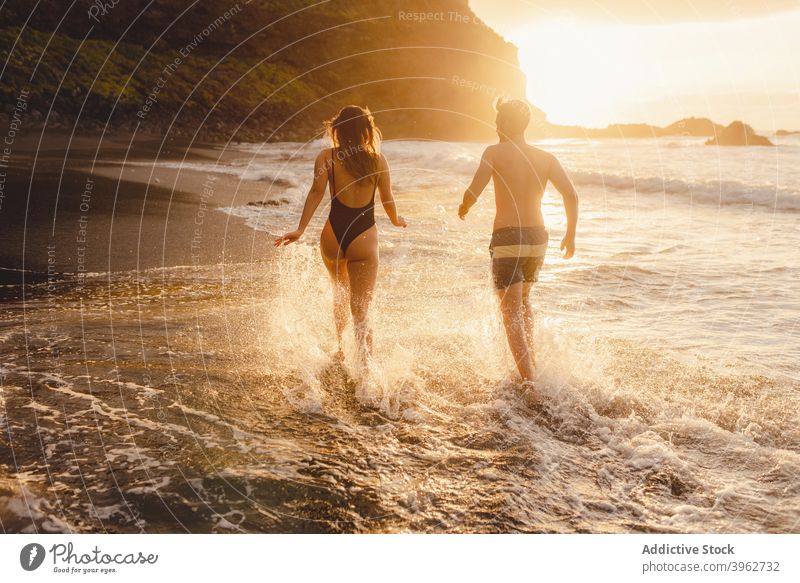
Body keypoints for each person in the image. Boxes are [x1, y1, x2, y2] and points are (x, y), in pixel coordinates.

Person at [458, 98, 578, 403]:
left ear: (503, 123)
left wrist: (464, 206)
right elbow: (571, 195)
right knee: (524, 302)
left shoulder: (494, 152)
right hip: (538, 238)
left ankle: (529, 383)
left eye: (499, 119)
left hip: (508, 236)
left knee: (510, 308)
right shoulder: (545, 157)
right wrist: (570, 235)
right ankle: (530, 365)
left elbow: (475, 189)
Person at [274, 105, 407, 366]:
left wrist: (300, 229)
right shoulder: (378, 160)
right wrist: (396, 220)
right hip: (364, 236)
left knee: (340, 294)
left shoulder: (327, 158)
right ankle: (366, 367)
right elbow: (387, 199)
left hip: (333, 234)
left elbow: (316, 192)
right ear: (367, 131)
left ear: (338, 130)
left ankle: (340, 351)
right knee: (362, 308)